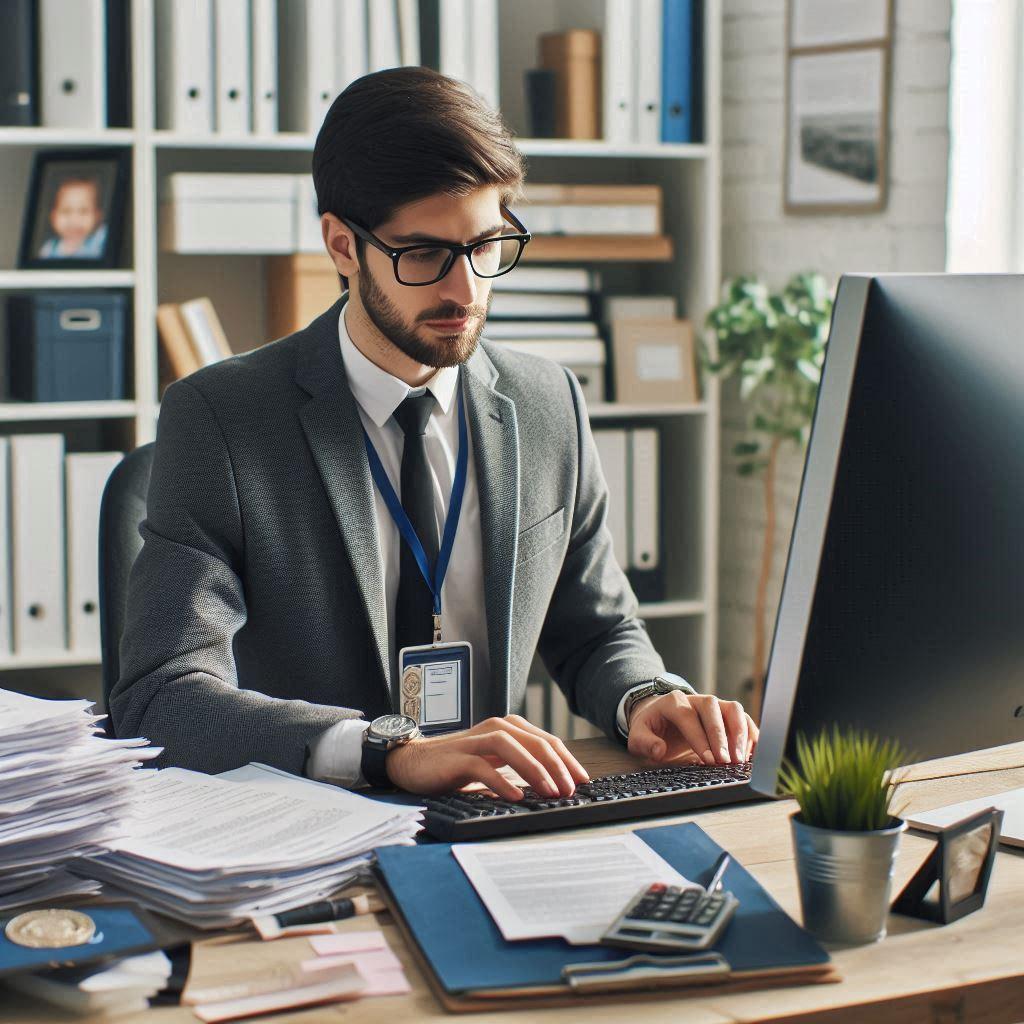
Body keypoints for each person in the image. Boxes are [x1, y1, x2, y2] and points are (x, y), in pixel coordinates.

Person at [111, 67, 758, 799]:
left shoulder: (550, 402)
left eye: (487, 246)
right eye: (424, 254)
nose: (466, 291)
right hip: (309, 829)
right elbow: (160, 698)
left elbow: (596, 630)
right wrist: (384, 750)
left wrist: (647, 696)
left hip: (495, 814)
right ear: (342, 246)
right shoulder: (222, 417)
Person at [38, 175, 108, 259]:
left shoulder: (100, 239)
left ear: (98, 216)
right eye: (66, 211)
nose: (75, 220)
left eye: (83, 211)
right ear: (53, 217)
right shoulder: (49, 250)